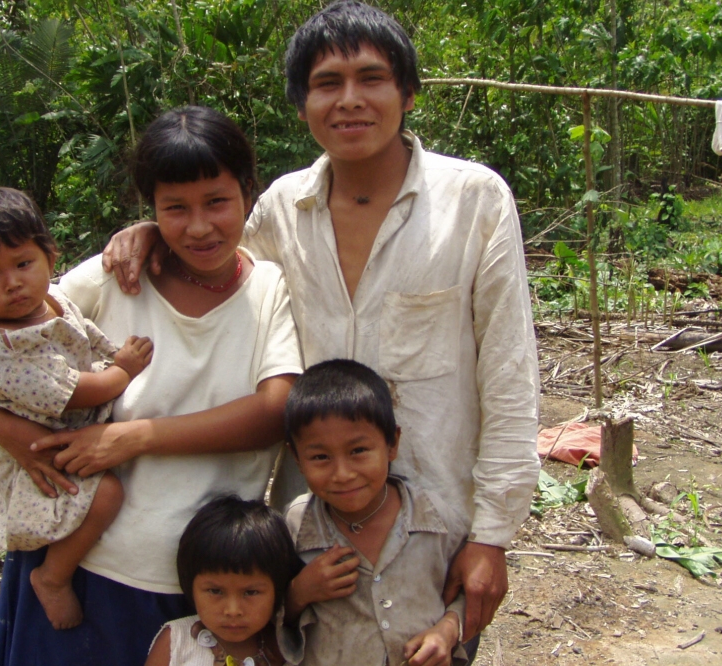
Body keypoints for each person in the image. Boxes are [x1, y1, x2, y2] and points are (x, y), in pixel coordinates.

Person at [102, 0, 541, 650]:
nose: (350, 100)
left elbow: (508, 377)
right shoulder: (282, 210)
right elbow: (219, 269)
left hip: (435, 542)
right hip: (312, 550)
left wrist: (493, 537)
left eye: (371, 78)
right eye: (327, 84)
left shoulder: (473, 202)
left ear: (409, 93)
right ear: (302, 103)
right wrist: (153, 235)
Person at [0, 106, 304, 666]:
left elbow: (274, 412)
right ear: (149, 208)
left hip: (210, 590)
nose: (198, 226)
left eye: (217, 202)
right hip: (81, 566)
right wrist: (3, 426)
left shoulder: (270, 287)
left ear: (249, 196)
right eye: (174, 208)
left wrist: (134, 437)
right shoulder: (115, 277)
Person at [0, 187, 154, 630]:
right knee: (106, 493)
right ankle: (52, 577)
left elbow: (81, 331)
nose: (13, 282)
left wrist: (109, 350)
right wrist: (122, 372)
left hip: (58, 429)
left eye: (22, 264)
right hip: (39, 450)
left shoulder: (47, 299)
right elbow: (72, 392)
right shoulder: (5, 345)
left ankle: (15, 586)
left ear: (50, 258)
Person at [282, 359, 468, 666]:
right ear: (297, 459)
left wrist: (447, 631)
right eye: (320, 457)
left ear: (392, 444)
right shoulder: (296, 526)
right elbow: (263, 606)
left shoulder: (433, 518)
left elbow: (468, 591)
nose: (342, 474)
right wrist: (299, 593)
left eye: (358, 451)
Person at [145, 496, 303, 666]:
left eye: (250, 592)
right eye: (215, 591)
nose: (233, 611)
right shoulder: (176, 640)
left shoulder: (285, 647)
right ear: (190, 586)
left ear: (278, 589)